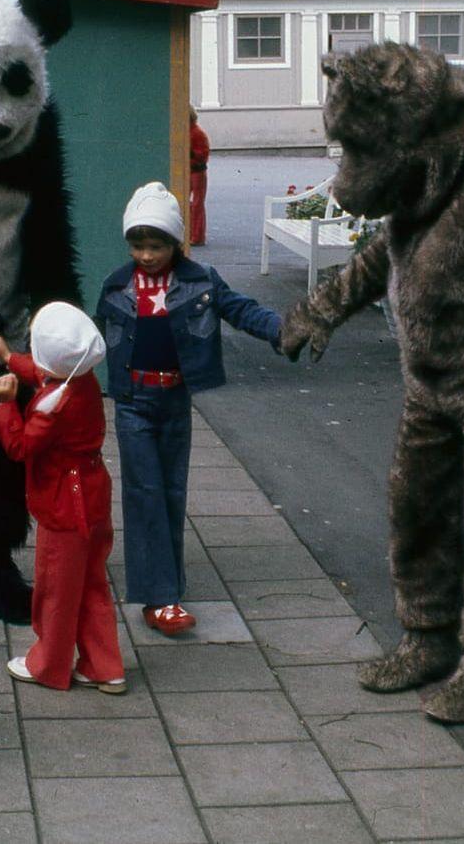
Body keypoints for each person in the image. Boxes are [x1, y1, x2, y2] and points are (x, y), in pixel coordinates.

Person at [94, 183, 282, 636]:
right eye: (137, 245)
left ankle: (167, 584)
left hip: (174, 400)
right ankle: (160, 599)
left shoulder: (200, 282)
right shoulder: (117, 286)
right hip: (133, 403)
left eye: (155, 245)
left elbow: (241, 310)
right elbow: (90, 340)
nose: (145, 255)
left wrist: (283, 329)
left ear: (175, 243)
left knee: (172, 492)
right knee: (144, 493)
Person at [0, 304, 126, 694]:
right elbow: (48, 373)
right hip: (93, 495)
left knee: (55, 589)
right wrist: (9, 358)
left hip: (65, 506)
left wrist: (5, 406)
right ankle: (105, 665)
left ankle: (48, 663)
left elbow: (20, 446)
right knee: (91, 584)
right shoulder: (80, 380)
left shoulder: (54, 407)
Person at [187, 107, 209, 246]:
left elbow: (202, 155)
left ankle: (197, 236)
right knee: (190, 203)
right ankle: (191, 233)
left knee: (197, 204)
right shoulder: (191, 131)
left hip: (197, 171)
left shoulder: (197, 133)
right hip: (190, 170)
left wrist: (190, 153)